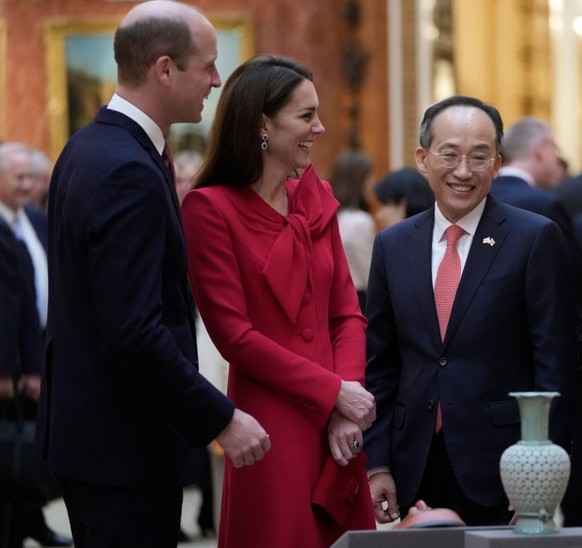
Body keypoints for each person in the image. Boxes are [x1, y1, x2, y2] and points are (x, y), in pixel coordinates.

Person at [33, 3, 270, 547]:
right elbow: (133, 331)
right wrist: (221, 419)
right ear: (165, 69)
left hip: (94, 436)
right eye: (207, 66)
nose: (215, 80)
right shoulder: (127, 170)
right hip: (124, 446)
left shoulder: (90, 145)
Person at [181, 54, 376, 548]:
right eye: (306, 116)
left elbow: (346, 314)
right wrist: (333, 392)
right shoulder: (209, 209)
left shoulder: (318, 196)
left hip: (338, 423)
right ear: (262, 123)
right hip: (272, 423)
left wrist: (346, 402)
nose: (320, 127)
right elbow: (235, 337)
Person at [364, 95, 577, 527]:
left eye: (479, 157)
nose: (464, 171)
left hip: (505, 467)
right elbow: (382, 364)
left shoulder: (534, 237)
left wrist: (540, 477)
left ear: (497, 163)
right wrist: (378, 461)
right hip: (415, 463)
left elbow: (556, 363)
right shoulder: (393, 244)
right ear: (423, 158)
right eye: (450, 154)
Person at [0, 142, 71, 548]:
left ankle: (30, 519)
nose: (29, 186)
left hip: (42, 346)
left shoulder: (35, 220)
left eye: (32, 177)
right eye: (19, 178)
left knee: (29, 448)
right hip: (11, 358)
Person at [329, 149, 376, 312]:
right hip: (357, 299)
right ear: (358, 181)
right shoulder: (359, 221)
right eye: (369, 177)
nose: (373, 183)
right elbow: (370, 275)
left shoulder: (333, 216)